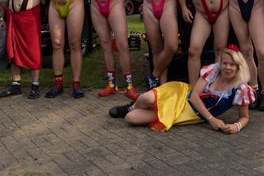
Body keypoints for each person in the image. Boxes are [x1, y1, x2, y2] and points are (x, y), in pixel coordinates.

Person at [108, 45, 255, 133]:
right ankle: (131, 107)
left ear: (238, 67)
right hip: (183, 94)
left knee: (131, 119)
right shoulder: (214, 71)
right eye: (225, 63)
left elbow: (244, 117)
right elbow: (193, 96)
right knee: (146, 98)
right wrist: (212, 120)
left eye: (232, 65)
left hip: (189, 113)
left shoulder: (241, 89)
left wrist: (237, 126)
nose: (227, 68)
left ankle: (131, 111)